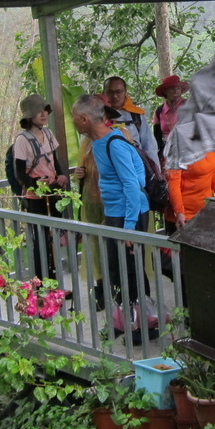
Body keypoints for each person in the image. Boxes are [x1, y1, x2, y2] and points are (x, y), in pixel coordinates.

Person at [71, 94, 151, 307]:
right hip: (117, 213)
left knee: (131, 271)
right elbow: (112, 185)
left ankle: (143, 322)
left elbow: (133, 185)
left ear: (85, 119)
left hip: (130, 215)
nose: (73, 121)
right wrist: (111, 216)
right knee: (115, 270)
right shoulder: (97, 143)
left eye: (74, 117)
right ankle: (122, 319)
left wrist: (129, 227)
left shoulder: (115, 143)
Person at [13, 93, 69, 280]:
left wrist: (61, 175)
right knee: (41, 240)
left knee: (54, 238)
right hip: (35, 197)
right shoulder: (22, 140)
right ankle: (43, 281)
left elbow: (54, 159)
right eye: (39, 112)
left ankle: (53, 280)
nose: (44, 115)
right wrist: (35, 184)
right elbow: (19, 173)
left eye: (45, 110)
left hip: (52, 192)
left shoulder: (48, 133)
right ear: (29, 116)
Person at [74, 94, 121, 309]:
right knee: (95, 246)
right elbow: (82, 167)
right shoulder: (87, 141)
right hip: (92, 199)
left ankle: (120, 296)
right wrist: (80, 173)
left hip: (112, 203)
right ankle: (101, 290)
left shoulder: (118, 137)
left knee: (114, 248)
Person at [164, 150, 215, 234]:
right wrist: (179, 212)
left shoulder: (211, 149)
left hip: (205, 213)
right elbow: (173, 184)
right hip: (184, 217)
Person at [103, 76, 158, 159]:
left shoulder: (136, 115)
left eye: (119, 92)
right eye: (110, 92)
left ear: (125, 92)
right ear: (104, 93)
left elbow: (149, 146)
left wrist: (154, 170)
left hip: (136, 165)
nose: (115, 96)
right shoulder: (97, 116)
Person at [152, 75, 189, 162]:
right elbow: (157, 137)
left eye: (178, 88)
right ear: (165, 91)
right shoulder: (160, 111)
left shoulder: (189, 106)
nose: (176, 91)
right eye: (172, 88)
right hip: (168, 152)